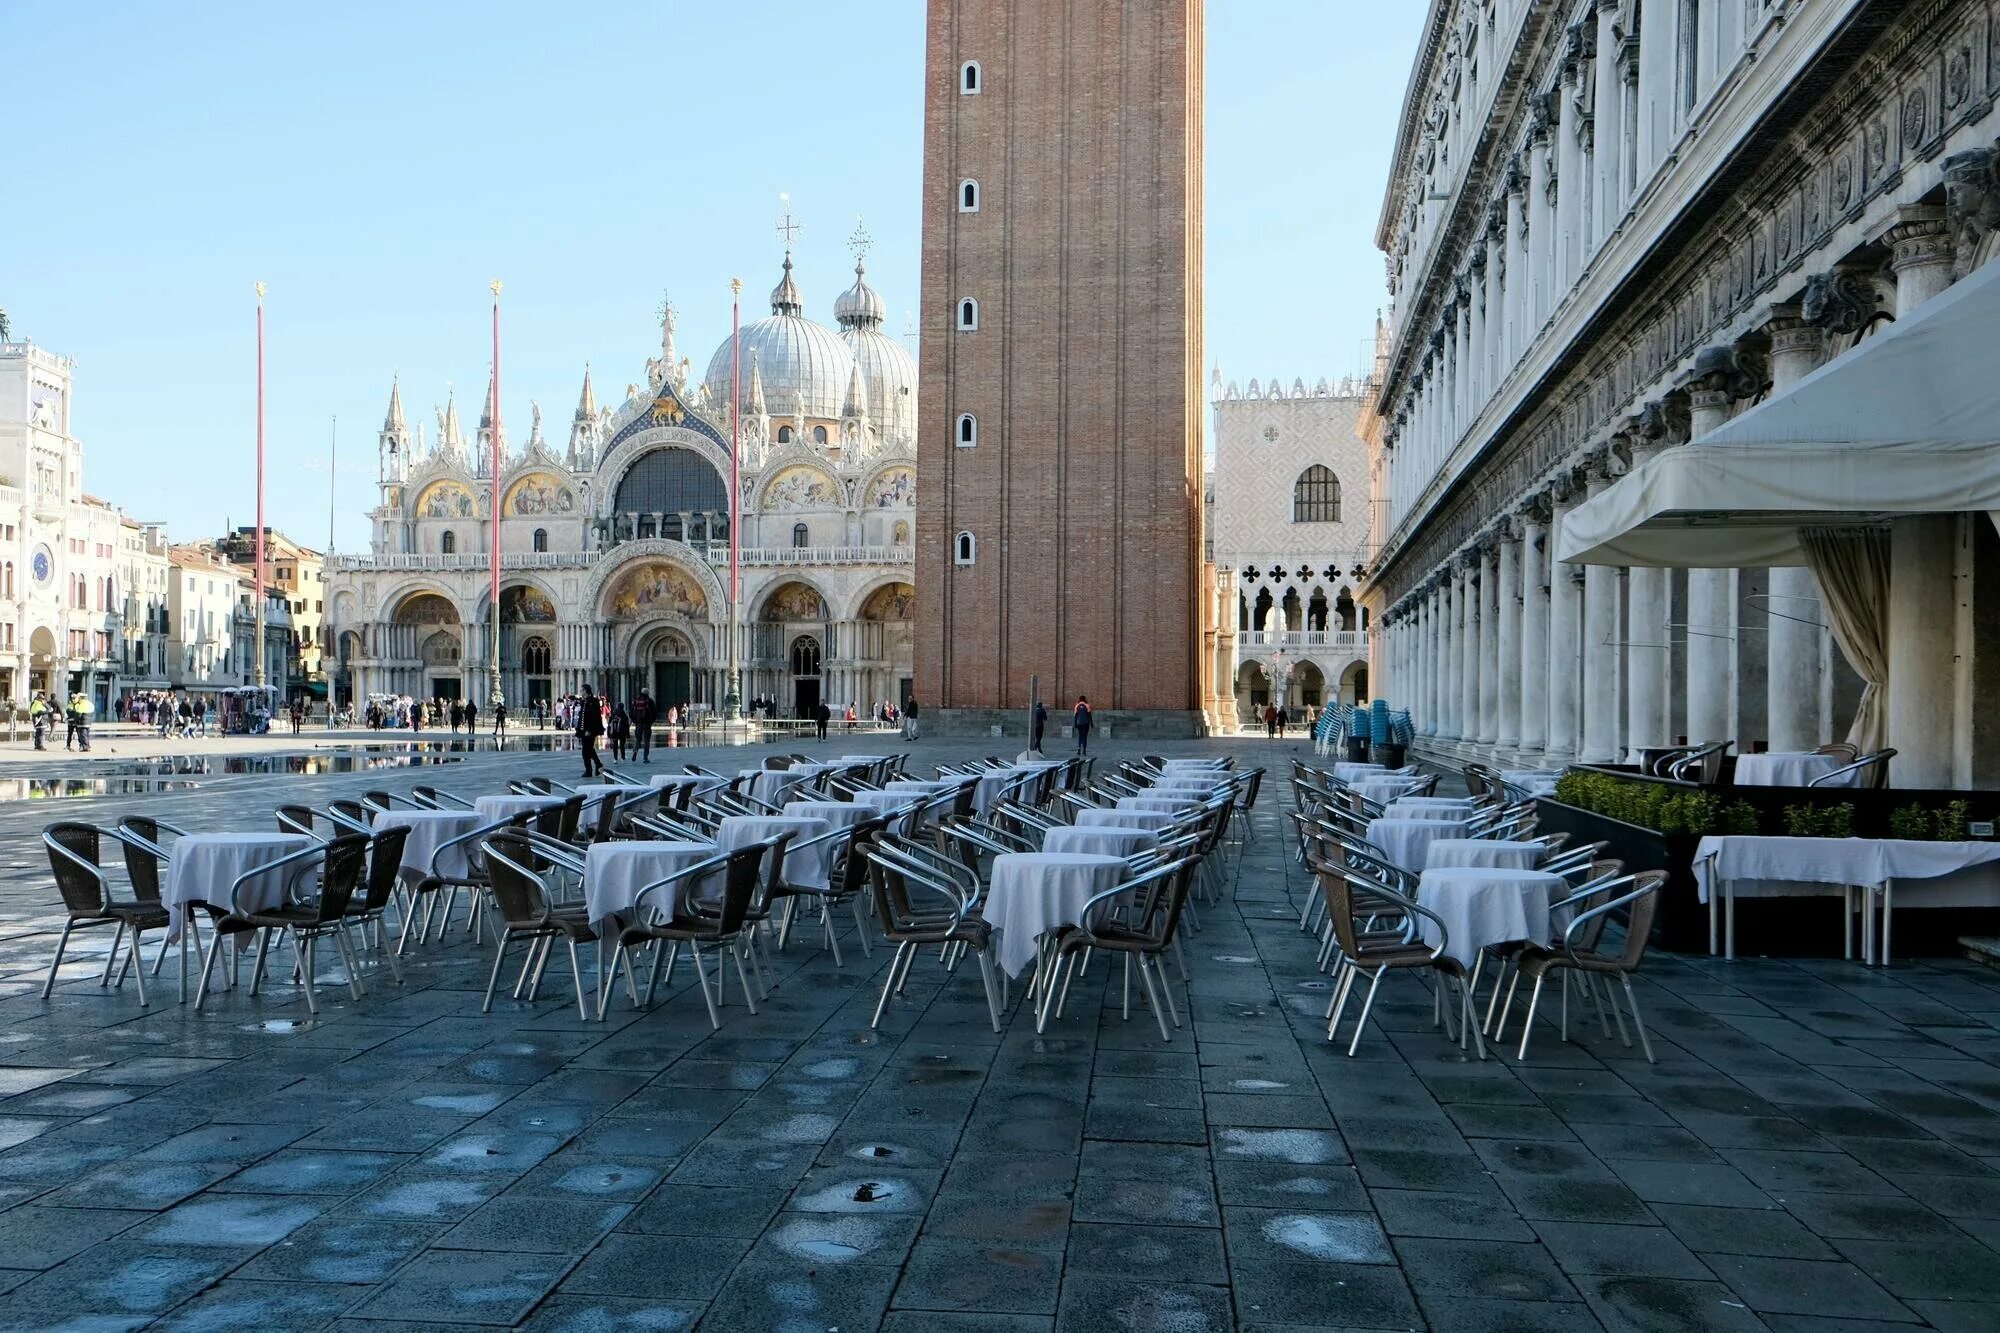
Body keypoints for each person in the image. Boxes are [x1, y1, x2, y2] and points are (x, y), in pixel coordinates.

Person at [577, 683, 605, 777]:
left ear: (586, 691)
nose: (581, 692)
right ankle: (598, 765)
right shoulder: (584, 701)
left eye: (582, 690)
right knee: (589, 749)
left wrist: (589, 730)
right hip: (583, 730)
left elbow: (593, 717)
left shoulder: (593, 701)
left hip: (590, 730)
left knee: (585, 751)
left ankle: (589, 771)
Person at [631, 689, 656, 762]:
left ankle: (635, 751)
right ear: (648, 693)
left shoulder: (636, 701)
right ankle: (645, 757)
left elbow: (631, 712)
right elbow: (654, 712)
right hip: (647, 724)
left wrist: (635, 721)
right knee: (646, 741)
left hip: (638, 724)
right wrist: (651, 722)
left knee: (638, 740)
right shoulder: (650, 701)